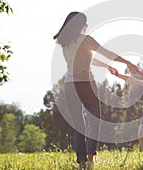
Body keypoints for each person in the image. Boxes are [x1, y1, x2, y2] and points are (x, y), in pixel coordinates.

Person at [53, 11, 137, 169]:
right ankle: (90, 158)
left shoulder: (65, 42)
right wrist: (127, 62)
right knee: (94, 121)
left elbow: (87, 57)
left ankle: (82, 162)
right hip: (86, 84)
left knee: (79, 124)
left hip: (70, 85)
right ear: (81, 25)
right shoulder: (85, 39)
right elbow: (108, 53)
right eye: (85, 24)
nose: (86, 27)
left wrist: (106, 66)